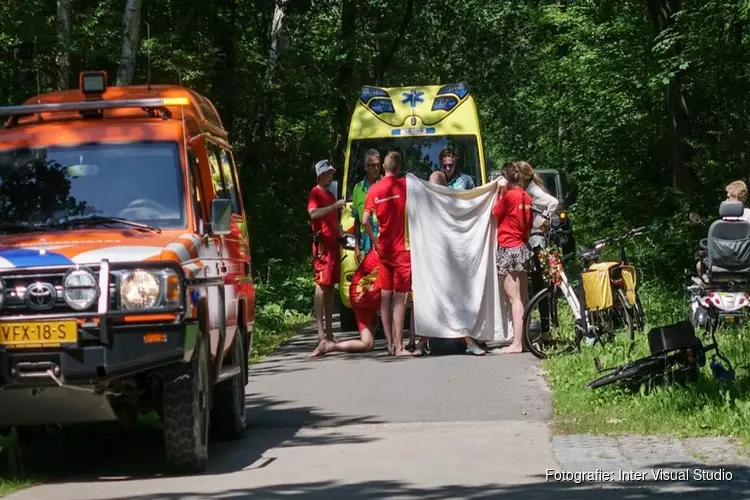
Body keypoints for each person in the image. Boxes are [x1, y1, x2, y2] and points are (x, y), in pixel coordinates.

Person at [363, 151, 413, 357]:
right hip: (402, 250)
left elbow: (365, 220)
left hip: (384, 248)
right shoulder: (405, 185)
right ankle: (400, 346)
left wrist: (374, 240)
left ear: (383, 167)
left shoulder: (374, 189)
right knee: (400, 299)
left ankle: (390, 344)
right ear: (398, 168)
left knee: (385, 297)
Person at [491, 162, 534, 354]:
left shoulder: (508, 196)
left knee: (514, 298)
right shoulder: (527, 197)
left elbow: (494, 212)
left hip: (508, 247)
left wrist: (499, 193)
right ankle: (523, 340)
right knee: (523, 297)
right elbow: (529, 225)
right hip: (522, 247)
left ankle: (516, 343)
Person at [309, 249, 380, 357]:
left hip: (358, 293)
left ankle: (329, 346)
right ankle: (396, 345)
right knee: (394, 295)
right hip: (364, 294)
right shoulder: (389, 249)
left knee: (367, 344)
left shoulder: (382, 247)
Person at [517, 161, 559, 336]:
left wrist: (544, 220)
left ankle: (545, 330)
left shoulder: (533, 191)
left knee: (539, 286)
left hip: (537, 243)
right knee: (537, 286)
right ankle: (545, 330)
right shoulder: (526, 190)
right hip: (532, 241)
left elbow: (553, 202)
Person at [308, 159, 346, 343]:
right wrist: (333, 207)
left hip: (333, 246)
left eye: (332, 173)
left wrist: (341, 232)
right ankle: (321, 334)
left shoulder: (330, 195)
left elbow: (333, 219)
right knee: (321, 286)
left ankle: (330, 333)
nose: (331, 176)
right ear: (320, 175)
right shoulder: (315, 193)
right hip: (322, 247)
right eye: (328, 173)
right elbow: (313, 214)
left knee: (330, 287)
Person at [352, 149, 382, 263]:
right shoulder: (358, 189)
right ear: (365, 167)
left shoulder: (386, 183)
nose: (376, 168)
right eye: (372, 165)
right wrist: (356, 246)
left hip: (383, 242)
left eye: (378, 165)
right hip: (366, 243)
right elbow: (356, 220)